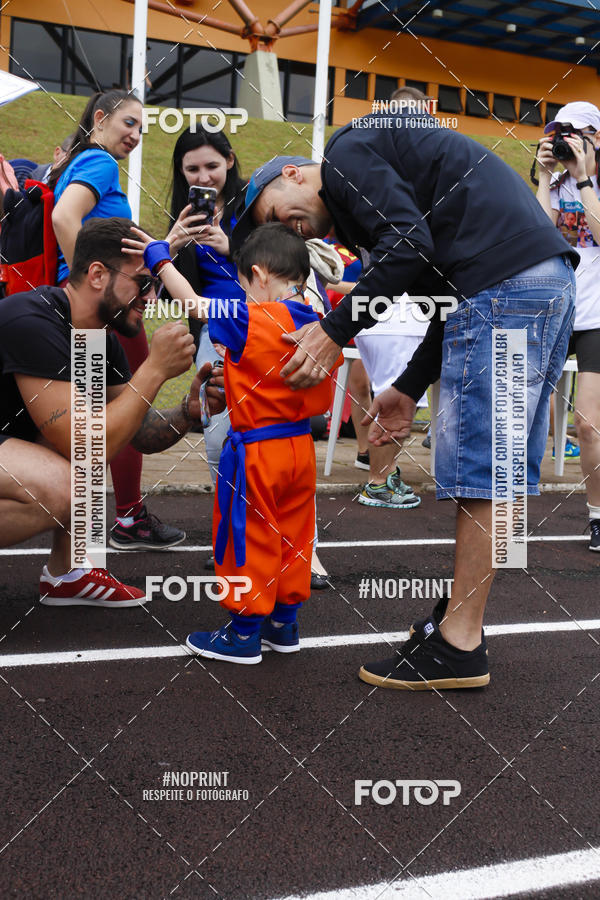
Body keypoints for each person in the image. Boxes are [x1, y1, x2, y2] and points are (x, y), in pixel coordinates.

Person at [232, 110, 578, 690]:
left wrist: (334, 329)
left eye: (270, 213)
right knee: (502, 467)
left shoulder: (343, 154)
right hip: (540, 279)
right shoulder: (375, 195)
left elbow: (412, 247)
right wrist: (407, 390)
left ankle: (460, 643)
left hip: (505, 285)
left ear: (291, 174)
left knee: (482, 469)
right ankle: (458, 623)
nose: (286, 231)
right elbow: (445, 289)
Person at [126, 222, 342, 664]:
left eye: (243, 284)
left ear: (259, 275)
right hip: (301, 449)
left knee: (247, 536)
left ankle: (243, 632)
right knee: (294, 536)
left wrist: (159, 258)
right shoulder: (318, 323)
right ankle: (285, 623)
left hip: (258, 450)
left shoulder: (252, 316)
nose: (241, 294)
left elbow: (191, 302)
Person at [0, 217, 223, 607]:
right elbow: (85, 443)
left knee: (89, 437)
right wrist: (154, 369)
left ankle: (71, 572)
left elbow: (137, 431)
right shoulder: (32, 319)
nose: (152, 298)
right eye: (144, 284)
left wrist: (189, 411)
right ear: (99, 275)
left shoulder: (99, 339)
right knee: (64, 480)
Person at [50, 88, 184, 551]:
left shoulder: (80, 162)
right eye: (129, 123)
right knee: (125, 412)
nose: (136, 135)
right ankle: (123, 520)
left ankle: (82, 554)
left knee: (93, 420)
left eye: (142, 130)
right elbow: (63, 216)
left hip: (95, 307)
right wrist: (93, 296)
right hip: (104, 311)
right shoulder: (100, 162)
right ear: (101, 118)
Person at [164, 127, 246, 487]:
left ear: (229, 160)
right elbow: (168, 295)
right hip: (214, 327)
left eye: (212, 165)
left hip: (262, 321)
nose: (203, 177)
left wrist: (233, 249)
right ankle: (228, 512)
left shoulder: (252, 205)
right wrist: (172, 245)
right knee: (218, 424)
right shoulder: (186, 215)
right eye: (192, 169)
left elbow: (284, 264)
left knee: (267, 422)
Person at [536, 100, 600, 552]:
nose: (567, 140)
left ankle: (598, 515)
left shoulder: (587, 181)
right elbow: (538, 239)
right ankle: (504, 515)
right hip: (555, 311)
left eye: (576, 133)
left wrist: (584, 179)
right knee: (523, 416)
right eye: (561, 132)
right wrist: (544, 178)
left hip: (598, 317)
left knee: (589, 424)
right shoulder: (554, 184)